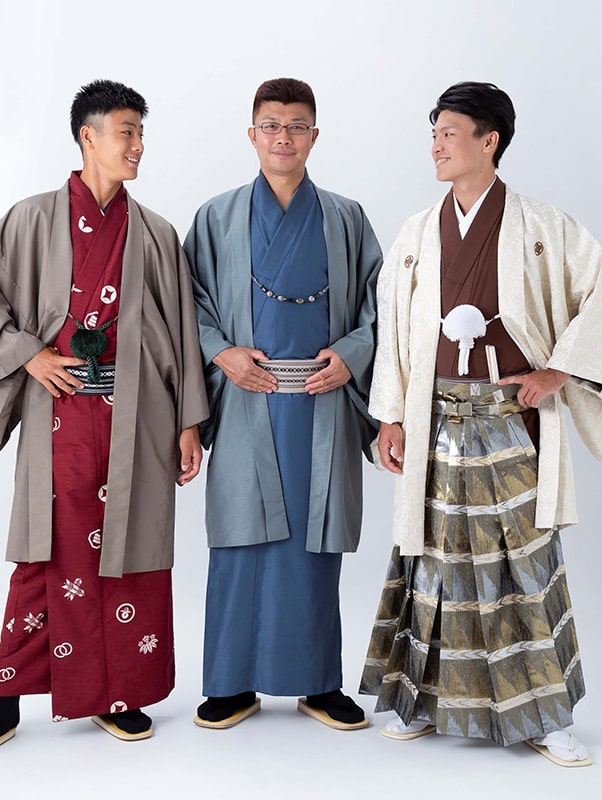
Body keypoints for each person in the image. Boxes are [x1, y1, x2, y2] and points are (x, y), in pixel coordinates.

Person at [359, 81, 602, 768]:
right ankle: (424, 702)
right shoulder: (417, 233)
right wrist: (390, 416)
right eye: (434, 134)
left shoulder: (543, 227)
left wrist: (556, 372)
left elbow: (601, 300)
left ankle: (544, 714)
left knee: (522, 560)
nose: (437, 145)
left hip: (510, 420)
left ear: (490, 140)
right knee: (435, 560)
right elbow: (394, 331)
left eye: (450, 133)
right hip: (435, 419)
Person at [0, 79, 208, 758]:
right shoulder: (33, 218)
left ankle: (119, 695)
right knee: (47, 554)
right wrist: (28, 354)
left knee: (130, 555)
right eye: (126, 132)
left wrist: (187, 423)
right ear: (88, 137)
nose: (138, 145)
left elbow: (181, 335)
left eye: (141, 133)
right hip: (58, 414)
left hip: (137, 418)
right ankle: (5, 701)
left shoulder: (156, 233)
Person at [184, 77, 382, 732]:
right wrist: (221, 353)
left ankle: (317, 682)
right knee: (239, 542)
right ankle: (230, 683)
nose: (283, 137)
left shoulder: (346, 217)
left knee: (311, 547)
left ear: (314, 136)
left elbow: (381, 305)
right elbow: (187, 305)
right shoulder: (216, 217)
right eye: (271, 125)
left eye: (297, 126)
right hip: (246, 398)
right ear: (252, 134)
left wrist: (350, 355)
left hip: (321, 405)